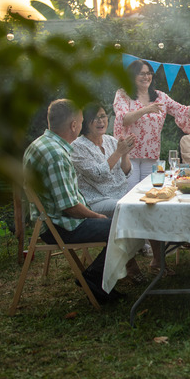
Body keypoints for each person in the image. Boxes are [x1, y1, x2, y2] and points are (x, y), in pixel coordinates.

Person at [23, 99, 132, 302]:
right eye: (82, 121)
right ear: (74, 125)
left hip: (51, 221)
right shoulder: (57, 155)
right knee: (126, 227)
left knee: (121, 223)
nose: (82, 125)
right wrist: (97, 216)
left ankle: (96, 277)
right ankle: (94, 279)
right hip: (61, 227)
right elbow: (70, 207)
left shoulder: (41, 143)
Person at [113, 59, 190, 191]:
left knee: (151, 191)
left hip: (151, 155)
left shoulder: (160, 97)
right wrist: (145, 110)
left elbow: (184, 111)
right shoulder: (123, 94)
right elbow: (123, 119)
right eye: (141, 74)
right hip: (129, 154)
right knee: (131, 192)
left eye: (149, 73)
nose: (146, 77)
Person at [70, 103, 135, 218]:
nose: (101, 121)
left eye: (103, 116)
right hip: (95, 200)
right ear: (85, 122)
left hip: (120, 195)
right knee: (131, 207)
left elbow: (125, 173)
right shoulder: (77, 146)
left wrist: (124, 154)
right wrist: (118, 152)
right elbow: (97, 175)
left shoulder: (110, 140)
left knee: (147, 202)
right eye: (95, 118)